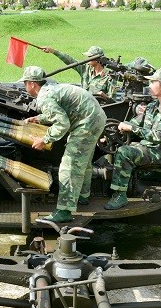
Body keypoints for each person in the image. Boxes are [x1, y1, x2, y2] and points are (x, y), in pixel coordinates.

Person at [19, 66, 107, 223]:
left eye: (25, 83)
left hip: (86, 124)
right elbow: (60, 111)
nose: (25, 87)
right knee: (84, 161)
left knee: (69, 166)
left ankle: (65, 211)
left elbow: (62, 124)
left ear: (32, 84)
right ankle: (83, 195)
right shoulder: (51, 88)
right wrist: (39, 118)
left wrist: (44, 140)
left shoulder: (44, 97)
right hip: (96, 119)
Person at [105, 68, 161, 210]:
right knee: (116, 147)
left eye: (153, 82)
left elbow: (159, 136)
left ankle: (120, 195)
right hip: (148, 147)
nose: (149, 86)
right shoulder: (153, 105)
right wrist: (116, 130)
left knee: (124, 152)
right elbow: (136, 122)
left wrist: (132, 129)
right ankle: (120, 187)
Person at [41, 45, 116, 100]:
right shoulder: (85, 69)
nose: (87, 59)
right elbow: (70, 60)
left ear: (97, 59)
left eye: (90, 57)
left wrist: (103, 96)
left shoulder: (109, 76)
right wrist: (53, 51)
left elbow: (113, 101)